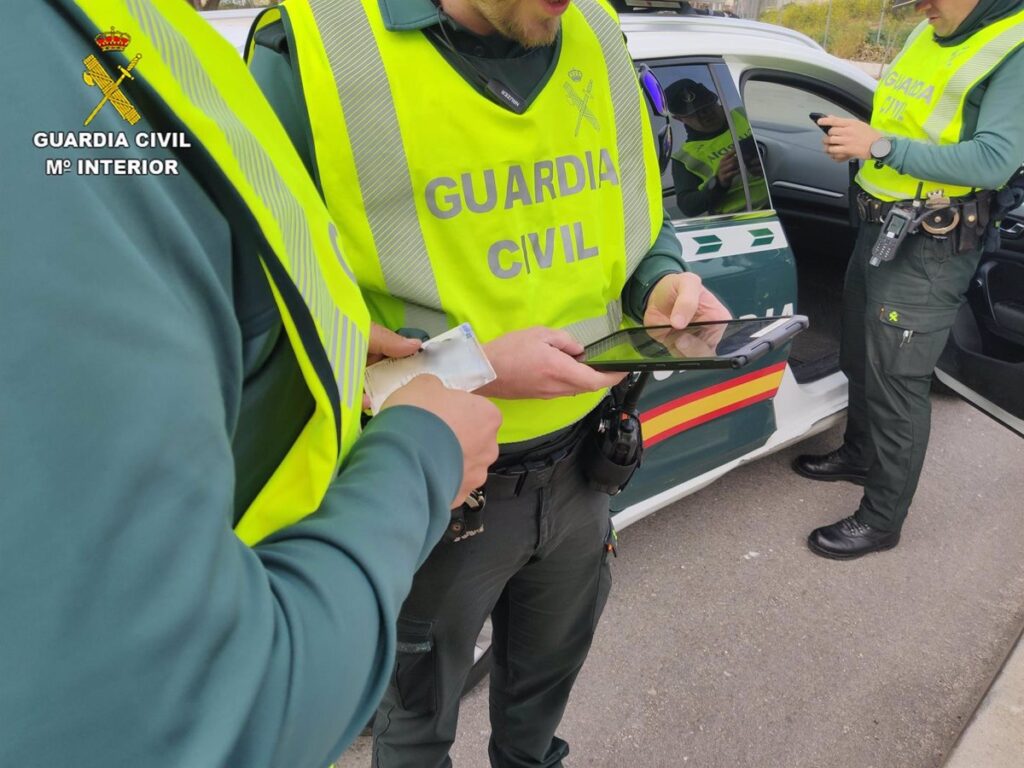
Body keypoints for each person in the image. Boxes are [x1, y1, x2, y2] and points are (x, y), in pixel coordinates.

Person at [0, 2, 502, 768]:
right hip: (326, 558)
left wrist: (319, 333)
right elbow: (189, 711)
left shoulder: (121, 28)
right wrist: (423, 456)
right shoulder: (49, 59)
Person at [247, 0, 730, 764]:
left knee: (539, 710)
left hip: (583, 470)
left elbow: (634, 219)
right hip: (432, 486)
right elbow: (265, 326)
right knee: (414, 728)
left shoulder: (595, 32)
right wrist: (475, 370)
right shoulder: (313, 48)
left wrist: (661, 285)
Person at [793, 0, 1024, 559]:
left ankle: (881, 519)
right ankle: (860, 453)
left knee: (898, 383)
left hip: (932, 245)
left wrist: (880, 146)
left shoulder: (1012, 46)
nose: (919, 5)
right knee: (860, 356)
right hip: (882, 228)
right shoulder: (931, 29)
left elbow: (994, 159)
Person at [665, 78, 767, 217]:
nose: (705, 114)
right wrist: (719, 182)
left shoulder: (745, 114)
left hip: (788, 198)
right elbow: (688, 206)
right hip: (743, 222)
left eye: (707, 105)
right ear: (678, 118)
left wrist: (768, 162)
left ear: (716, 100)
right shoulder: (684, 158)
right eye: (695, 112)